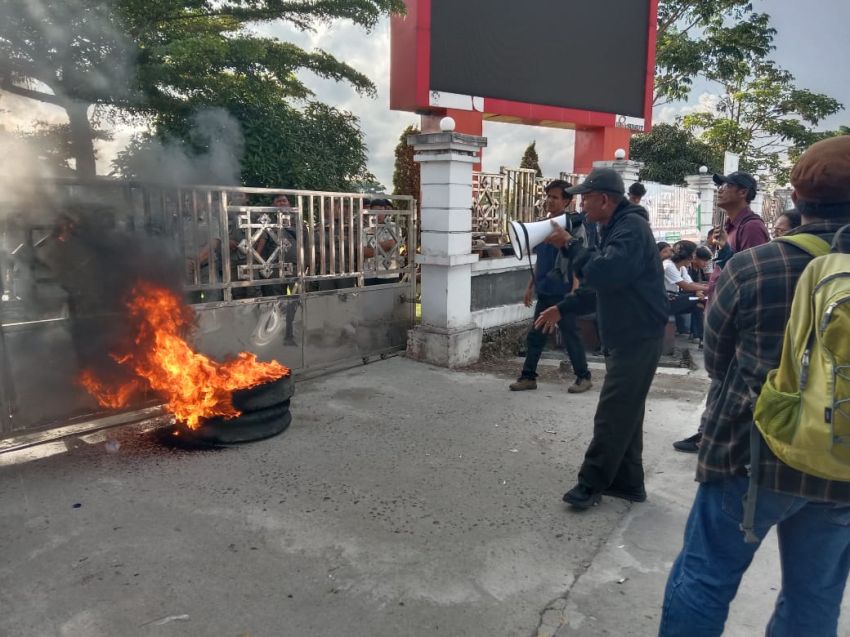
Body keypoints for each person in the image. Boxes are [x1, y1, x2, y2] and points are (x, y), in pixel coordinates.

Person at [658, 135, 850, 637]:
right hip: (840, 457)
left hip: (748, 452)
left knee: (704, 579)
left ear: (797, 198)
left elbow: (717, 363)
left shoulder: (753, 266)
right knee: (814, 600)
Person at [535, 168, 668, 508]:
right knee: (627, 412)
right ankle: (628, 483)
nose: (580, 205)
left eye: (585, 198)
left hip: (637, 335)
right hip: (628, 333)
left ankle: (590, 484)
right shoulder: (614, 227)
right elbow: (600, 285)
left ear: (605, 200)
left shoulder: (631, 229)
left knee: (612, 413)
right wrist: (563, 308)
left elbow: (604, 272)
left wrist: (570, 245)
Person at [673, 171, 770, 453]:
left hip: (736, 316)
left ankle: (713, 436)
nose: (720, 190)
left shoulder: (751, 228)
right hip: (721, 309)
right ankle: (709, 432)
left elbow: (755, 275)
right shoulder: (730, 227)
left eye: (727, 186)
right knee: (720, 377)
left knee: (727, 378)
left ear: (743, 192)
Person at [511, 180, 592, 393]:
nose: (549, 200)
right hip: (546, 289)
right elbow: (541, 261)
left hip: (564, 292)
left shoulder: (575, 227)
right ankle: (528, 376)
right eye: (548, 196)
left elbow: (577, 261)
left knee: (570, 335)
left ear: (566, 201)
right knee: (536, 334)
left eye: (555, 197)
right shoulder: (541, 226)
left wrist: (574, 291)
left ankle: (583, 377)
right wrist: (530, 286)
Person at [663, 241, 708, 336]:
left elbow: (691, 283)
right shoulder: (668, 266)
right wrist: (709, 288)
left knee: (699, 305)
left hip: (674, 298)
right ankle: (700, 336)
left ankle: (699, 337)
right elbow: (686, 286)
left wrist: (699, 291)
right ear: (687, 255)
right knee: (698, 299)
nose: (694, 258)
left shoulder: (682, 268)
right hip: (664, 301)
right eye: (693, 254)